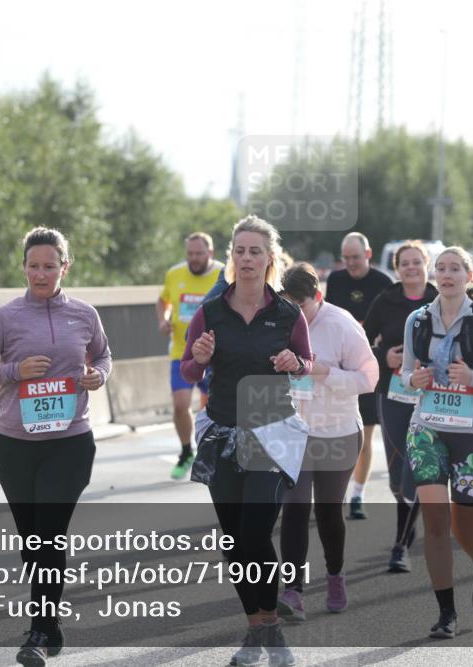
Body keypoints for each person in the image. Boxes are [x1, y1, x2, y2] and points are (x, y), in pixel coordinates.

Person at [0, 227, 112, 667]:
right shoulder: (7, 317)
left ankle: (39, 630)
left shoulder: (84, 315)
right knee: (33, 541)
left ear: (65, 267)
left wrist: (97, 377)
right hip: (15, 445)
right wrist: (14, 370)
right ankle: (50, 623)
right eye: (34, 266)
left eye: (50, 265)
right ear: (24, 268)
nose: (41, 273)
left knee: (50, 532)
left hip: (70, 443)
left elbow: (104, 356)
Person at [181, 215, 312, 667]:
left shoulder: (288, 314)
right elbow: (189, 371)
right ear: (232, 258)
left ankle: (270, 626)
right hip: (222, 432)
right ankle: (258, 631)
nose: (247, 258)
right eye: (240, 250)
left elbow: (306, 368)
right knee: (235, 541)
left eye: (256, 251)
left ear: (270, 258)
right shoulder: (211, 310)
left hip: (271, 433)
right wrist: (199, 357)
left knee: (255, 530)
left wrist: (295, 362)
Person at [400, 247, 473, 639]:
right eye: (441, 269)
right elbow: (404, 372)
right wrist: (411, 380)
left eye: (455, 269)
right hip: (427, 428)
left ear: (468, 275)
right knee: (435, 522)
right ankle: (446, 613)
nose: (446, 275)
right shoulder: (417, 319)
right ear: (434, 276)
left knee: (466, 531)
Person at [276, 263, 379, 621]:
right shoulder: (277, 322)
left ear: (317, 298)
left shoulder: (341, 324)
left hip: (337, 430)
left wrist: (325, 372)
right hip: (294, 431)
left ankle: (335, 577)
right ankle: (293, 592)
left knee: (328, 511)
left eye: (300, 307)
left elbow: (369, 378)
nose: (295, 315)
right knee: (295, 508)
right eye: (288, 306)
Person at [362, 240, 440, 572]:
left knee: (417, 465)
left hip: (433, 394)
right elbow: (362, 340)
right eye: (405, 263)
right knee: (398, 473)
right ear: (397, 269)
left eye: (417, 262)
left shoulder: (440, 298)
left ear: (427, 265)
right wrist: (384, 356)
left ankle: (400, 544)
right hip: (393, 392)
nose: (411, 268)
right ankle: (409, 521)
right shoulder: (387, 300)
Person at [323, 232, 393, 520]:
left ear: (368, 254)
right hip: (336, 367)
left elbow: (387, 326)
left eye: (355, 257)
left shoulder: (383, 283)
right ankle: (332, 494)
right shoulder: (336, 280)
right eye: (346, 258)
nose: (350, 263)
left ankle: (357, 494)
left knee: (362, 435)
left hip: (367, 367)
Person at [157, 232, 224, 479]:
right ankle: (186, 452)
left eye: (199, 254)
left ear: (210, 253)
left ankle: (213, 452)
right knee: (180, 405)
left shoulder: (223, 273)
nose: (194, 259)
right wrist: (163, 320)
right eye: (190, 254)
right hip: (180, 352)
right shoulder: (175, 274)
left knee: (213, 408)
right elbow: (162, 300)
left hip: (214, 353)